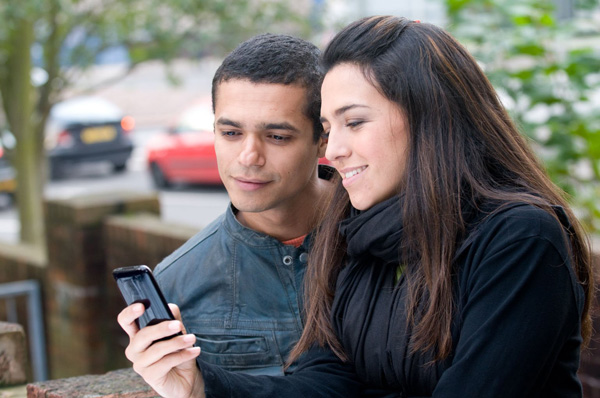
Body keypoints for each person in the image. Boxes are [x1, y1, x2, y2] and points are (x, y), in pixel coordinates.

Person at [118, 16, 594, 397]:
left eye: (355, 122)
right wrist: (200, 386)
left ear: (429, 118)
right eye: (329, 126)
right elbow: (325, 382)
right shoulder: (362, 237)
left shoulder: (519, 238)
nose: (334, 149)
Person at [147, 33, 331, 376]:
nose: (248, 157)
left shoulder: (391, 233)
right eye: (231, 133)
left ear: (323, 138)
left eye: (277, 136)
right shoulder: (176, 284)